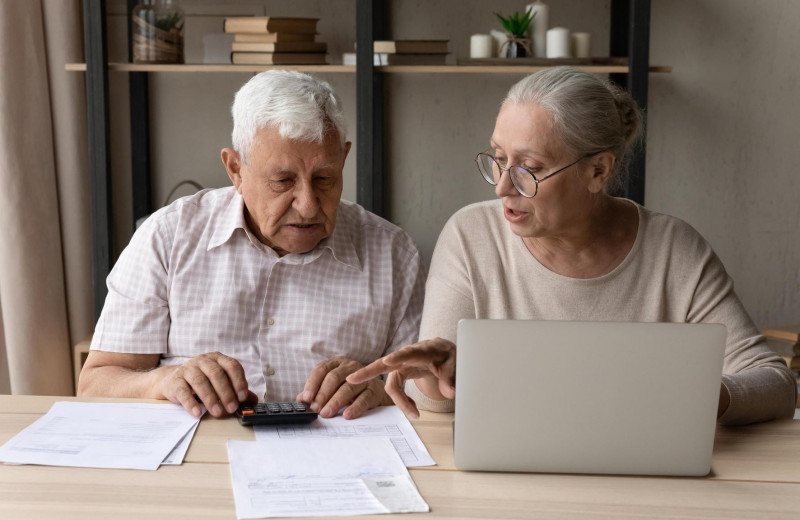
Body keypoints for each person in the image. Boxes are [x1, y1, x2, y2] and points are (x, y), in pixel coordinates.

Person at [349, 66, 797, 426]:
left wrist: (694, 399)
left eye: (529, 168)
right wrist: (439, 376)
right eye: (499, 159)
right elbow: (438, 407)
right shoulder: (471, 236)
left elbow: (777, 385)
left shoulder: (674, 250)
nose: (503, 186)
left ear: (598, 171)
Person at [79, 71, 425, 420]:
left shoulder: (394, 256)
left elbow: (428, 394)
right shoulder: (168, 237)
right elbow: (96, 384)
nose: (307, 204)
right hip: (195, 463)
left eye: (324, 179)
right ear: (235, 169)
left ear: (344, 160)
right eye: (283, 180)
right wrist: (162, 381)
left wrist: (380, 391)